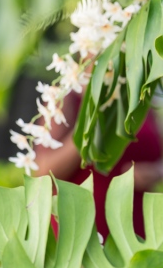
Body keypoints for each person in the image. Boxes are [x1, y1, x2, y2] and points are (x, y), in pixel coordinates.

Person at [34, 93, 163, 238]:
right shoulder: (65, 97)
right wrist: (87, 131)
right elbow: (43, 173)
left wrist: (156, 173)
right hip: (83, 229)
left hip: (138, 226)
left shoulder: (140, 97)